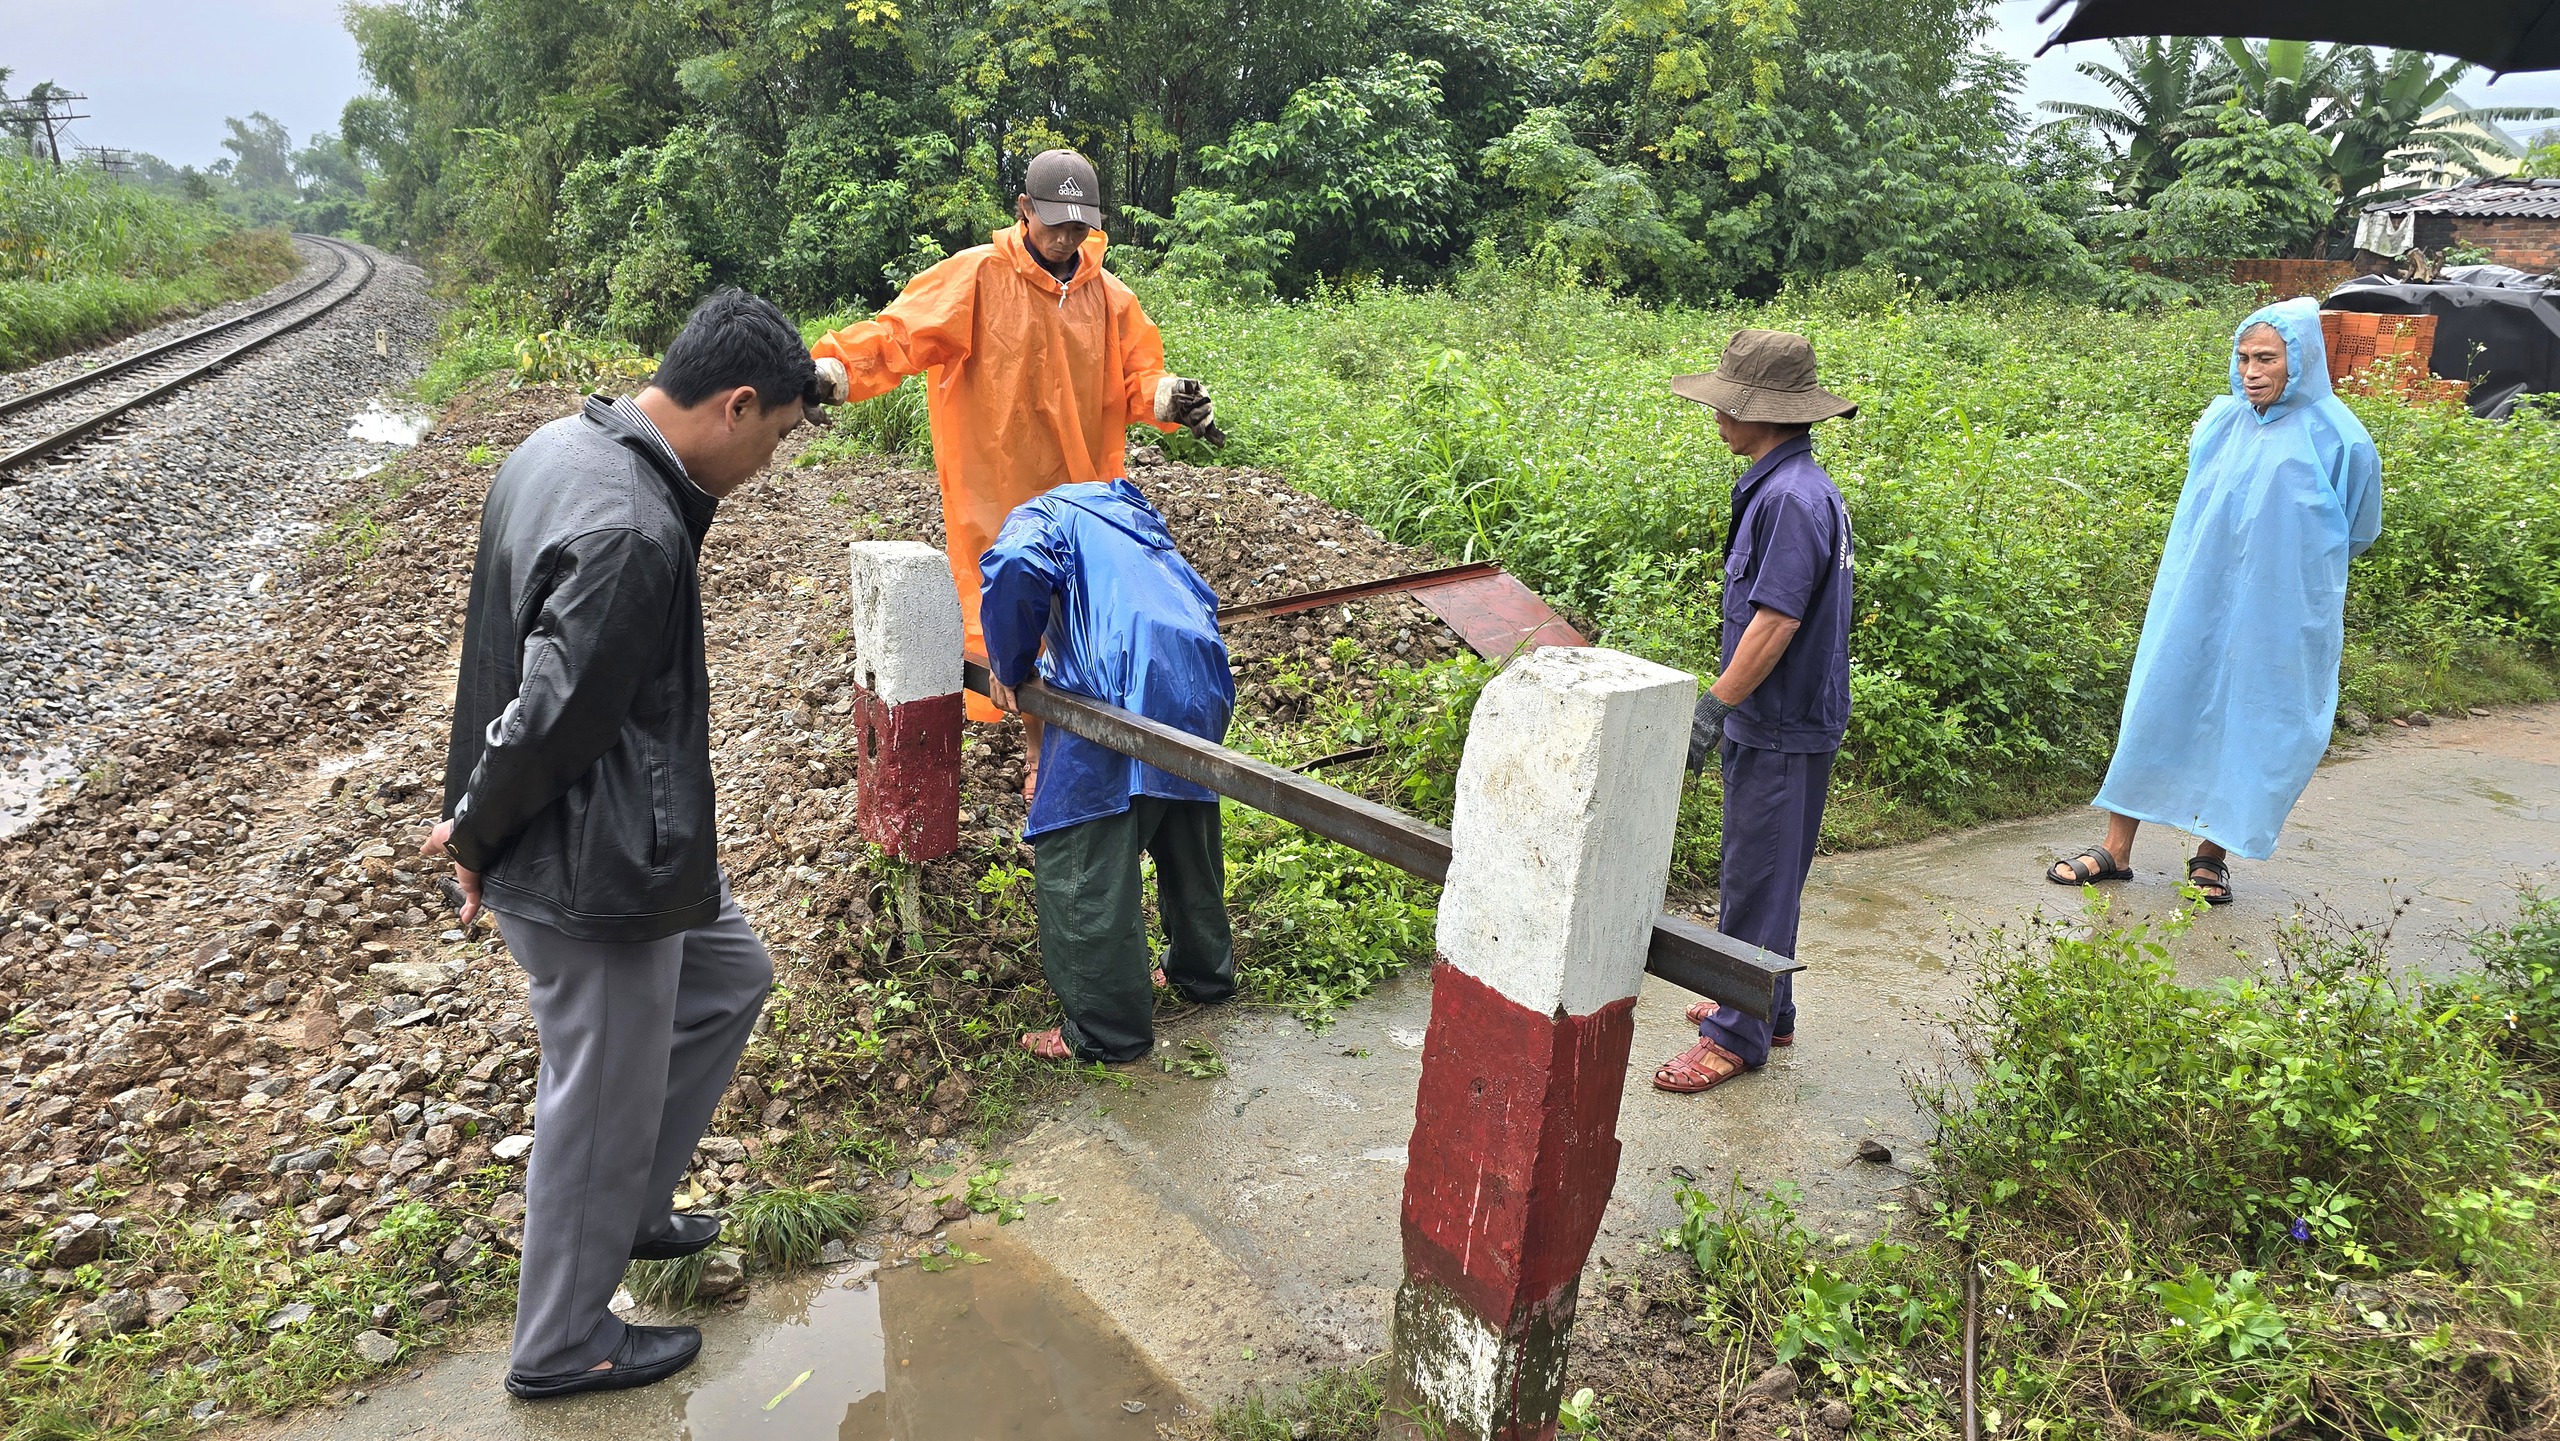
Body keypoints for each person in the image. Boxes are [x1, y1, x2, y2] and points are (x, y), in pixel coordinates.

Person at [424, 290, 817, 1399]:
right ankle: (562, 1342)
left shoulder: (567, 443)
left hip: (630, 840)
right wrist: (476, 830)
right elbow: (549, 714)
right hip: (593, 866)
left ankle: (633, 1207)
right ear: (736, 405)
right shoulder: (633, 530)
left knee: (730, 977)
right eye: (778, 436)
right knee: (595, 1096)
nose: (773, 461)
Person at [807, 148, 1227, 788]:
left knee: (1080, 609)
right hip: (995, 482)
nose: (1065, 238)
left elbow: (1136, 375)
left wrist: (1172, 398)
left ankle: (1072, 747)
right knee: (1011, 611)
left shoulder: (1110, 298)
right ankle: (1038, 753)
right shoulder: (976, 278)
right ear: (1024, 210)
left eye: (1078, 225)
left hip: (1083, 484)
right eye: (1054, 222)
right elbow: (899, 336)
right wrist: (834, 372)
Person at [2048, 298, 2381, 904]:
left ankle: (2211, 855)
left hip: (2282, 610)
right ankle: (2115, 848)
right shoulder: (2218, 422)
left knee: (2253, 719)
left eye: (2268, 358)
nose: (2252, 370)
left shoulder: (2340, 438)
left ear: (2301, 361)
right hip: (2195, 595)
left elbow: (2360, 529)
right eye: (2244, 357)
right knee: (2162, 700)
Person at [1651, 330, 1857, 1096]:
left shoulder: (1791, 500)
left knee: (1756, 875)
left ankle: (1736, 1031)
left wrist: (1714, 706)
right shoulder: (1788, 486)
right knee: (1768, 875)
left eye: (1725, 404)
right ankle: (1769, 1003)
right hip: (1781, 716)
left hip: (1777, 719)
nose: (1715, 416)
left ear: (1760, 411)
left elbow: (1773, 622)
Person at [975, 476, 1237, 1063]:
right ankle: (1203, 974)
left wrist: (1010, 662)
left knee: (1079, 851)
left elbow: (1014, 562)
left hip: (1119, 684)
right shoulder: (1132, 520)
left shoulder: (1041, 513)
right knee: (1181, 823)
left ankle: (1105, 1030)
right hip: (1201, 678)